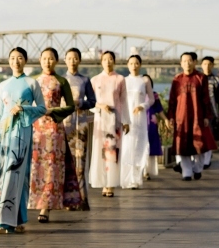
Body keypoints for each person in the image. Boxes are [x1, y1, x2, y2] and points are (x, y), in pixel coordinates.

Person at [0, 47, 46, 234]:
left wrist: (24, 109)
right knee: (2, 175)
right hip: (4, 135)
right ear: (9, 61)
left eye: (19, 58)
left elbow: (42, 108)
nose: (16, 61)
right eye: (12, 58)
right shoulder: (3, 86)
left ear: (25, 60)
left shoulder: (31, 83)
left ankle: (15, 220)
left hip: (22, 133)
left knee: (18, 174)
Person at [27, 47, 79, 222]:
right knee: (35, 168)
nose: (47, 62)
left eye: (51, 59)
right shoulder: (33, 82)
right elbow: (26, 104)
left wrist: (52, 111)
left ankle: (46, 207)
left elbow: (71, 106)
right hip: (36, 129)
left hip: (55, 129)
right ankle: (31, 202)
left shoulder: (61, 81)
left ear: (56, 61)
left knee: (51, 168)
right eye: (44, 59)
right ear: (40, 61)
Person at [167, 52, 216, 180]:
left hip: (197, 115)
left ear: (195, 62)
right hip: (181, 116)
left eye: (190, 61)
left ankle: (198, 168)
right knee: (182, 145)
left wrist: (206, 116)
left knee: (199, 145)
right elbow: (172, 100)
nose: (187, 63)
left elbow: (206, 98)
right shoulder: (177, 79)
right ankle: (187, 172)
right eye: (184, 61)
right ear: (180, 63)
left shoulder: (201, 78)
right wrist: (171, 116)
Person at [88, 51, 130, 197]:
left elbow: (124, 101)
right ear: (101, 61)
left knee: (112, 151)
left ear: (114, 61)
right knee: (100, 151)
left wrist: (126, 121)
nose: (108, 61)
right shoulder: (95, 80)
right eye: (105, 59)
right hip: (100, 120)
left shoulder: (120, 79)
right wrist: (99, 106)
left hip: (115, 120)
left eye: (110, 59)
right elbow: (90, 102)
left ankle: (110, 184)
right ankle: (102, 182)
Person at [62, 48, 96, 211]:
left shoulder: (85, 80)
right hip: (65, 125)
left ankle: (82, 199)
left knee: (80, 162)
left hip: (81, 125)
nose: (72, 61)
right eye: (69, 58)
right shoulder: (61, 80)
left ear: (79, 60)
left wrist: (80, 103)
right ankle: (68, 201)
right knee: (65, 163)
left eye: (75, 58)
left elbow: (93, 101)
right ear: (65, 60)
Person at [120, 54, 154, 188]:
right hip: (126, 116)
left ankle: (135, 179)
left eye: (136, 63)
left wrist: (142, 106)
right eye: (131, 63)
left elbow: (151, 99)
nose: (134, 66)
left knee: (138, 147)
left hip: (139, 118)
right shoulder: (123, 80)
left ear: (140, 65)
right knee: (126, 147)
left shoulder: (144, 81)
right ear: (127, 65)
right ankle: (125, 179)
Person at [199, 56, 219, 169]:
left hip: (211, 112)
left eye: (209, 64)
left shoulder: (217, 80)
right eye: (205, 64)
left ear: (213, 65)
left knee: (209, 136)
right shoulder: (197, 79)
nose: (207, 66)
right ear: (201, 65)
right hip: (198, 112)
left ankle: (207, 160)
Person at [147, 78, 164, 178]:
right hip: (139, 124)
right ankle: (142, 170)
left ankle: (148, 170)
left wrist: (165, 120)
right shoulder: (137, 95)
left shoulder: (154, 95)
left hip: (152, 125)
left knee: (151, 146)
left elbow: (159, 109)